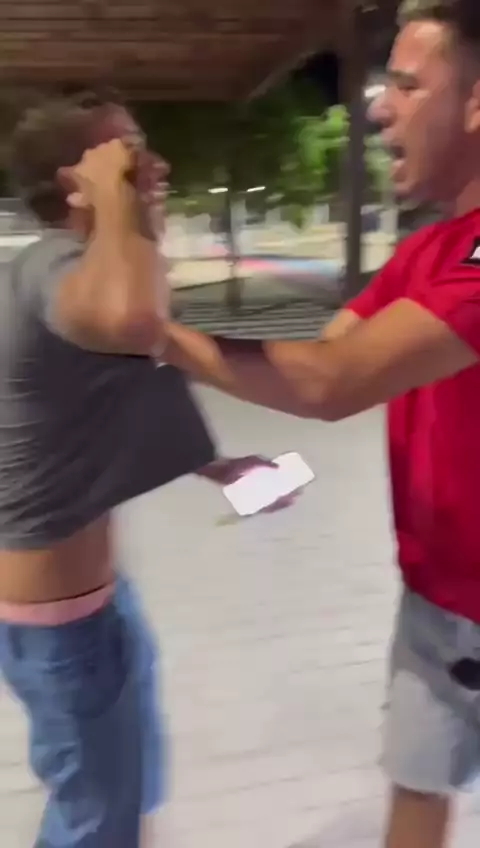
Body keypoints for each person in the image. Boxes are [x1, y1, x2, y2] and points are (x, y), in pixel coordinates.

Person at [158, 2, 480, 846]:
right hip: (437, 603)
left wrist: (155, 332)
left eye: (407, 86)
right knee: (417, 791)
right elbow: (326, 359)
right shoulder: (429, 252)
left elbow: (334, 383)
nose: (378, 111)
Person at [0, 89, 292, 848]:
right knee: (96, 821)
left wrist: (218, 467)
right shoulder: (56, 265)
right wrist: (118, 204)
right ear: (76, 182)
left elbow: (113, 385)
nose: (156, 164)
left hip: (91, 602)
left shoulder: (75, 272)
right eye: (130, 152)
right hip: (58, 622)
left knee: (125, 793)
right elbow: (137, 322)